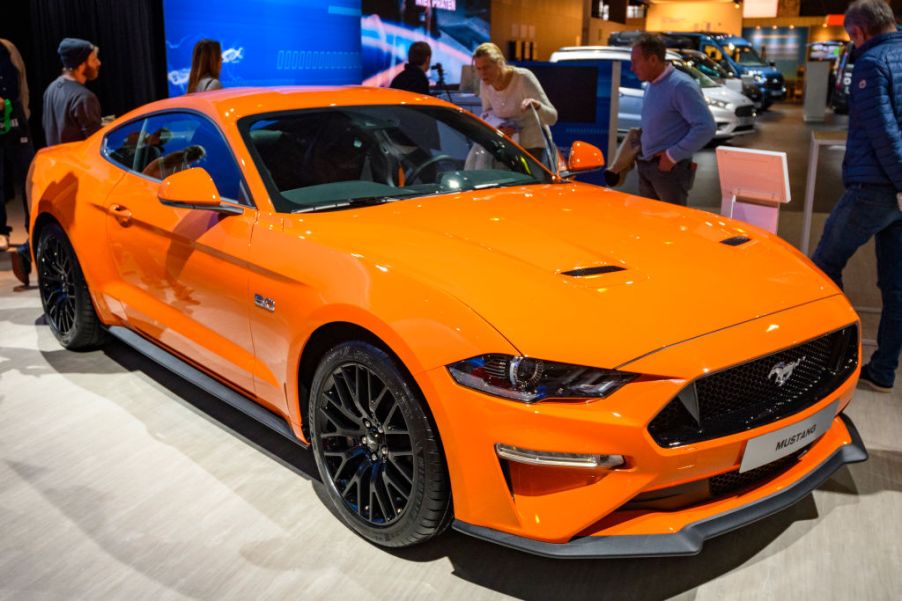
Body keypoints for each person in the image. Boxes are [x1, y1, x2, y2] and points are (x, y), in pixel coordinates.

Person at [811, 0, 902, 393]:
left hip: (876, 187)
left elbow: (882, 131)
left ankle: (836, 358)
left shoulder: (870, 63)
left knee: (821, 267)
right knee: (897, 286)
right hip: (893, 190)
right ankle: (883, 369)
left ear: (858, 32)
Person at [11, 38, 102, 286]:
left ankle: (26, 254)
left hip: (54, 170)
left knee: (57, 228)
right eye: (94, 59)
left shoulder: (52, 89)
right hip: (79, 177)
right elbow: (94, 144)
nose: (99, 64)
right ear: (81, 63)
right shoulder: (84, 98)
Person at [630, 34, 715, 206]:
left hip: (669, 171)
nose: (632, 68)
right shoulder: (652, 84)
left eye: (636, 62)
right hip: (648, 166)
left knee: (671, 223)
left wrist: (671, 156)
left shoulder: (681, 86)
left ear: (653, 59)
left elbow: (706, 127)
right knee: (649, 222)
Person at [472, 42, 557, 165]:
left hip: (533, 146)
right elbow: (488, 115)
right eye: (478, 69)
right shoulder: (485, 83)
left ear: (500, 63)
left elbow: (553, 117)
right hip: (508, 146)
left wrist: (537, 105)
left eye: (486, 67)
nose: (482, 73)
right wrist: (499, 127)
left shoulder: (523, 78)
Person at [0, 38, 35, 260]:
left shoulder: (8, 48)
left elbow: (22, 81)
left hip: (17, 123)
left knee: (28, 175)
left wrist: (24, 112)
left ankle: (31, 225)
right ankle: (0, 230)